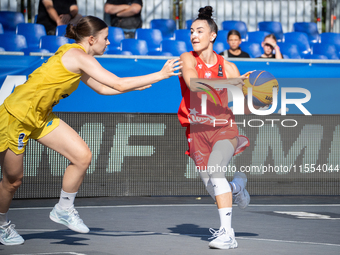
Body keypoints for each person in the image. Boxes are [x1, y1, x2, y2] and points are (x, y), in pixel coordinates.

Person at [0, 15, 181, 245]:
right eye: (106, 38)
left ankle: (63, 209)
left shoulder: (80, 58)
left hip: (40, 116)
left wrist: (133, 88)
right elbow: (117, 82)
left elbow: (104, 90)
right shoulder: (77, 55)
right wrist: (160, 75)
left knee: (82, 156)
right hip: (16, 116)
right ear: (92, 39)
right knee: (13, 181)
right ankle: (2, 224)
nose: (109, 43)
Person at [178, 6, 253, 250]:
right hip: (197, 130)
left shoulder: (229, 67)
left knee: (215, 169)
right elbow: (194, 83)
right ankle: (237, 188)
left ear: (212, 36)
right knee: (212, 187)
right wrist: (232, 84)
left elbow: (242, 103)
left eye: (199, 31)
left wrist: (254, 96)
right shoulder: (188, 58)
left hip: (224, 127)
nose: (193, 35)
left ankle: (227, 234)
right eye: (191, 31)